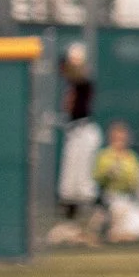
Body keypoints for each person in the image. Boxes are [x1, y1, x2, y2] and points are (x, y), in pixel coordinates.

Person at [93, 121, 139, 243]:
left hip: (128, 200)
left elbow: (134, 183)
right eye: (116, 137)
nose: (119, 141)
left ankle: (120, 234)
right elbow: (98, 177)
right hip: (110, 200)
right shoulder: (104, 155)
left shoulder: (131, 157)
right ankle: (113, 231)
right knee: (118, 215)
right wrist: (109, 173)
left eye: (122, 137)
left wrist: (122, 173)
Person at [56, 43, 99, 221]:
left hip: (84, 131)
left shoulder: (84, 84)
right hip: (74, 131)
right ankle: (71, 218)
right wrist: (67, 61)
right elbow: (62, 69)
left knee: (82, 179)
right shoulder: (72, 82)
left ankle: (92, 216)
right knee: (69, 180)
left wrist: (75, 62)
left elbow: (80, 76)